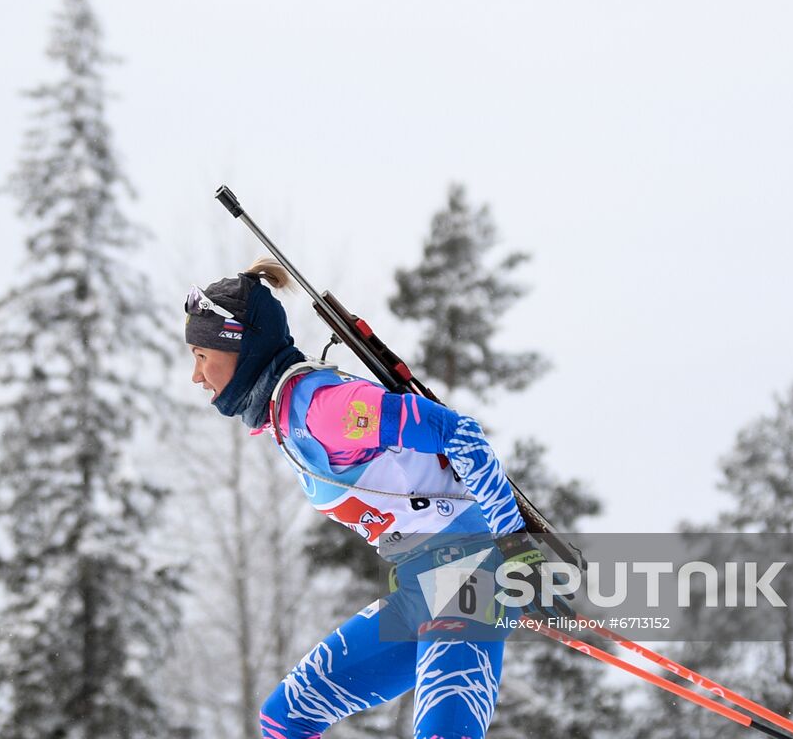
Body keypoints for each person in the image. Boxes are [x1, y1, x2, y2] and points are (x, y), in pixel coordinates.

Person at [186, 257, 548, 739]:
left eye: (201, 356)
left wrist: (516, 550)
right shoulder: (288, 418)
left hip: (470, 581)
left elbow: (461, 435)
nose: (196, 376)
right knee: (285, 719)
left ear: (241, 347)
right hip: (419, 589)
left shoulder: (324, 410)